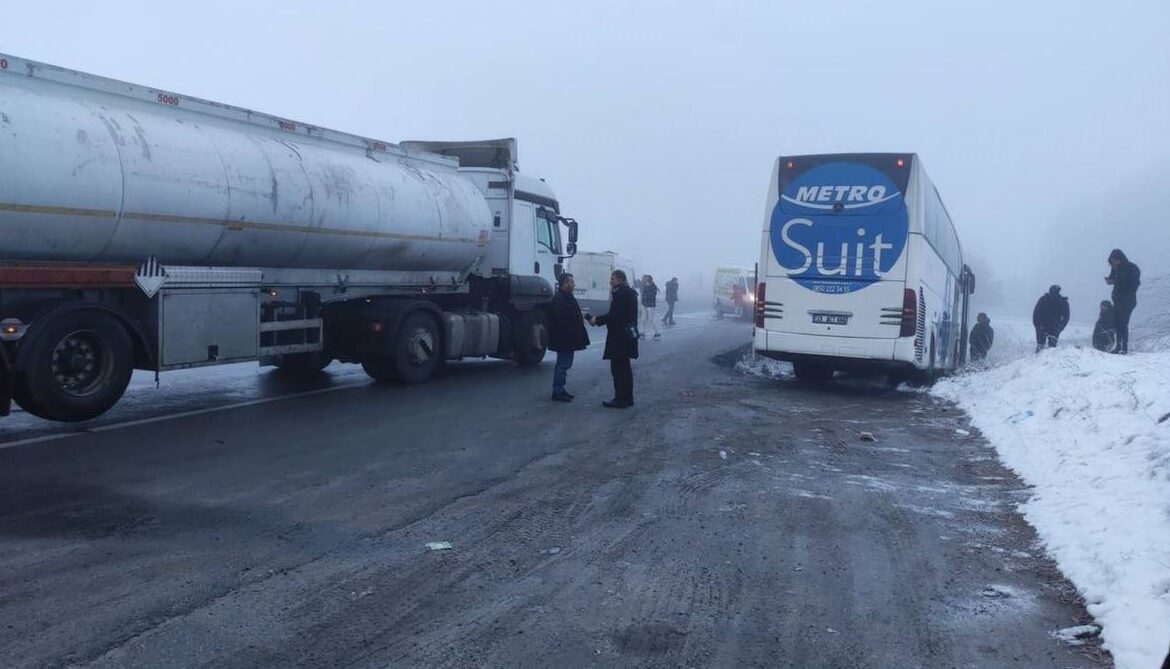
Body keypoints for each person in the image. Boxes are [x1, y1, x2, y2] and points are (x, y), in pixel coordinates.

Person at [588, 270, 639, 408]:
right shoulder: (629, 293)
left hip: (620, 337)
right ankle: (627, 398)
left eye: (613, 279)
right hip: (627, 336)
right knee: (625, 368)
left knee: (618, 369)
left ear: (621, 280)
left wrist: (596, 320)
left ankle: (620, 399)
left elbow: (614, 315)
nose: (610, 281)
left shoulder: (621, 294)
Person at [548, 273, 589, 402]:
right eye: (571, 281)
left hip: (568, 337)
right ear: (565, 283)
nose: (574, 284)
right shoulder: (560, 298)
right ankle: (557, 391)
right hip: (564, 338)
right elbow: (562, 318)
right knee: (562, 364)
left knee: (565, 364)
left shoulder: (567, 297)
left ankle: (561, 388)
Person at [1105, 248, 1141, 354]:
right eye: (1112, 262)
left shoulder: (1132, 268)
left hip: (1128, 300)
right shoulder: (1116, 268)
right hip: (1117, 299)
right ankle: (1118, 346)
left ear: (1120, 258)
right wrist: (1109, 280)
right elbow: (1113, 279)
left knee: (1123, 322)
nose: (1113, 263)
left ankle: (1124, 347)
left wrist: (1120, 283)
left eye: (1115, 260)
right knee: (1117, 322)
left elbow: (1135, 284)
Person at [1032, 285, 1069, 352]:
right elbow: (1066, 316)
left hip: (1045, 327)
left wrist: (1037, 325)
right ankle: (1045, 361)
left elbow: (1036, 314)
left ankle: (1039, 361)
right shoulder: (1062, 301)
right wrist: (1061, 326)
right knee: (1051, 349)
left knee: (1041, 347)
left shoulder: (1043, 299)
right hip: (1051, 327)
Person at [640, 274, 661, 339]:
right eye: (643, 279)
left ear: (649, 279)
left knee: (650, 319)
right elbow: (642, 294)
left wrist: (645, 294)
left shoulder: (653, 286)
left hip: (650, 305)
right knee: (643, 319)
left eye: (645, 278)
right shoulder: (644, 285)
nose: (644, 280)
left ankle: (657, 332)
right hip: (644, 304)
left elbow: (652, 294)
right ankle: (643, 332)